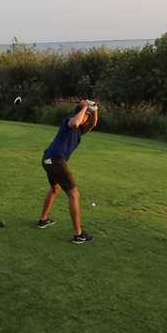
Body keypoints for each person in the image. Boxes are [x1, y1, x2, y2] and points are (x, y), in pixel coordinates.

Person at [38, 100, 99, 243]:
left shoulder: (80, 129)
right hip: (56, 161)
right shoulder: (71, 120)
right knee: (74, 195)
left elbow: (93, 123)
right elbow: (76, 122)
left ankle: (43, 220)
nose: (87, 119)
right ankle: (78, 234)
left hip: (48, 159)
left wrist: (94, 108)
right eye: (86, 116)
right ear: (81, 113)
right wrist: (85, 108)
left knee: (55, 188)